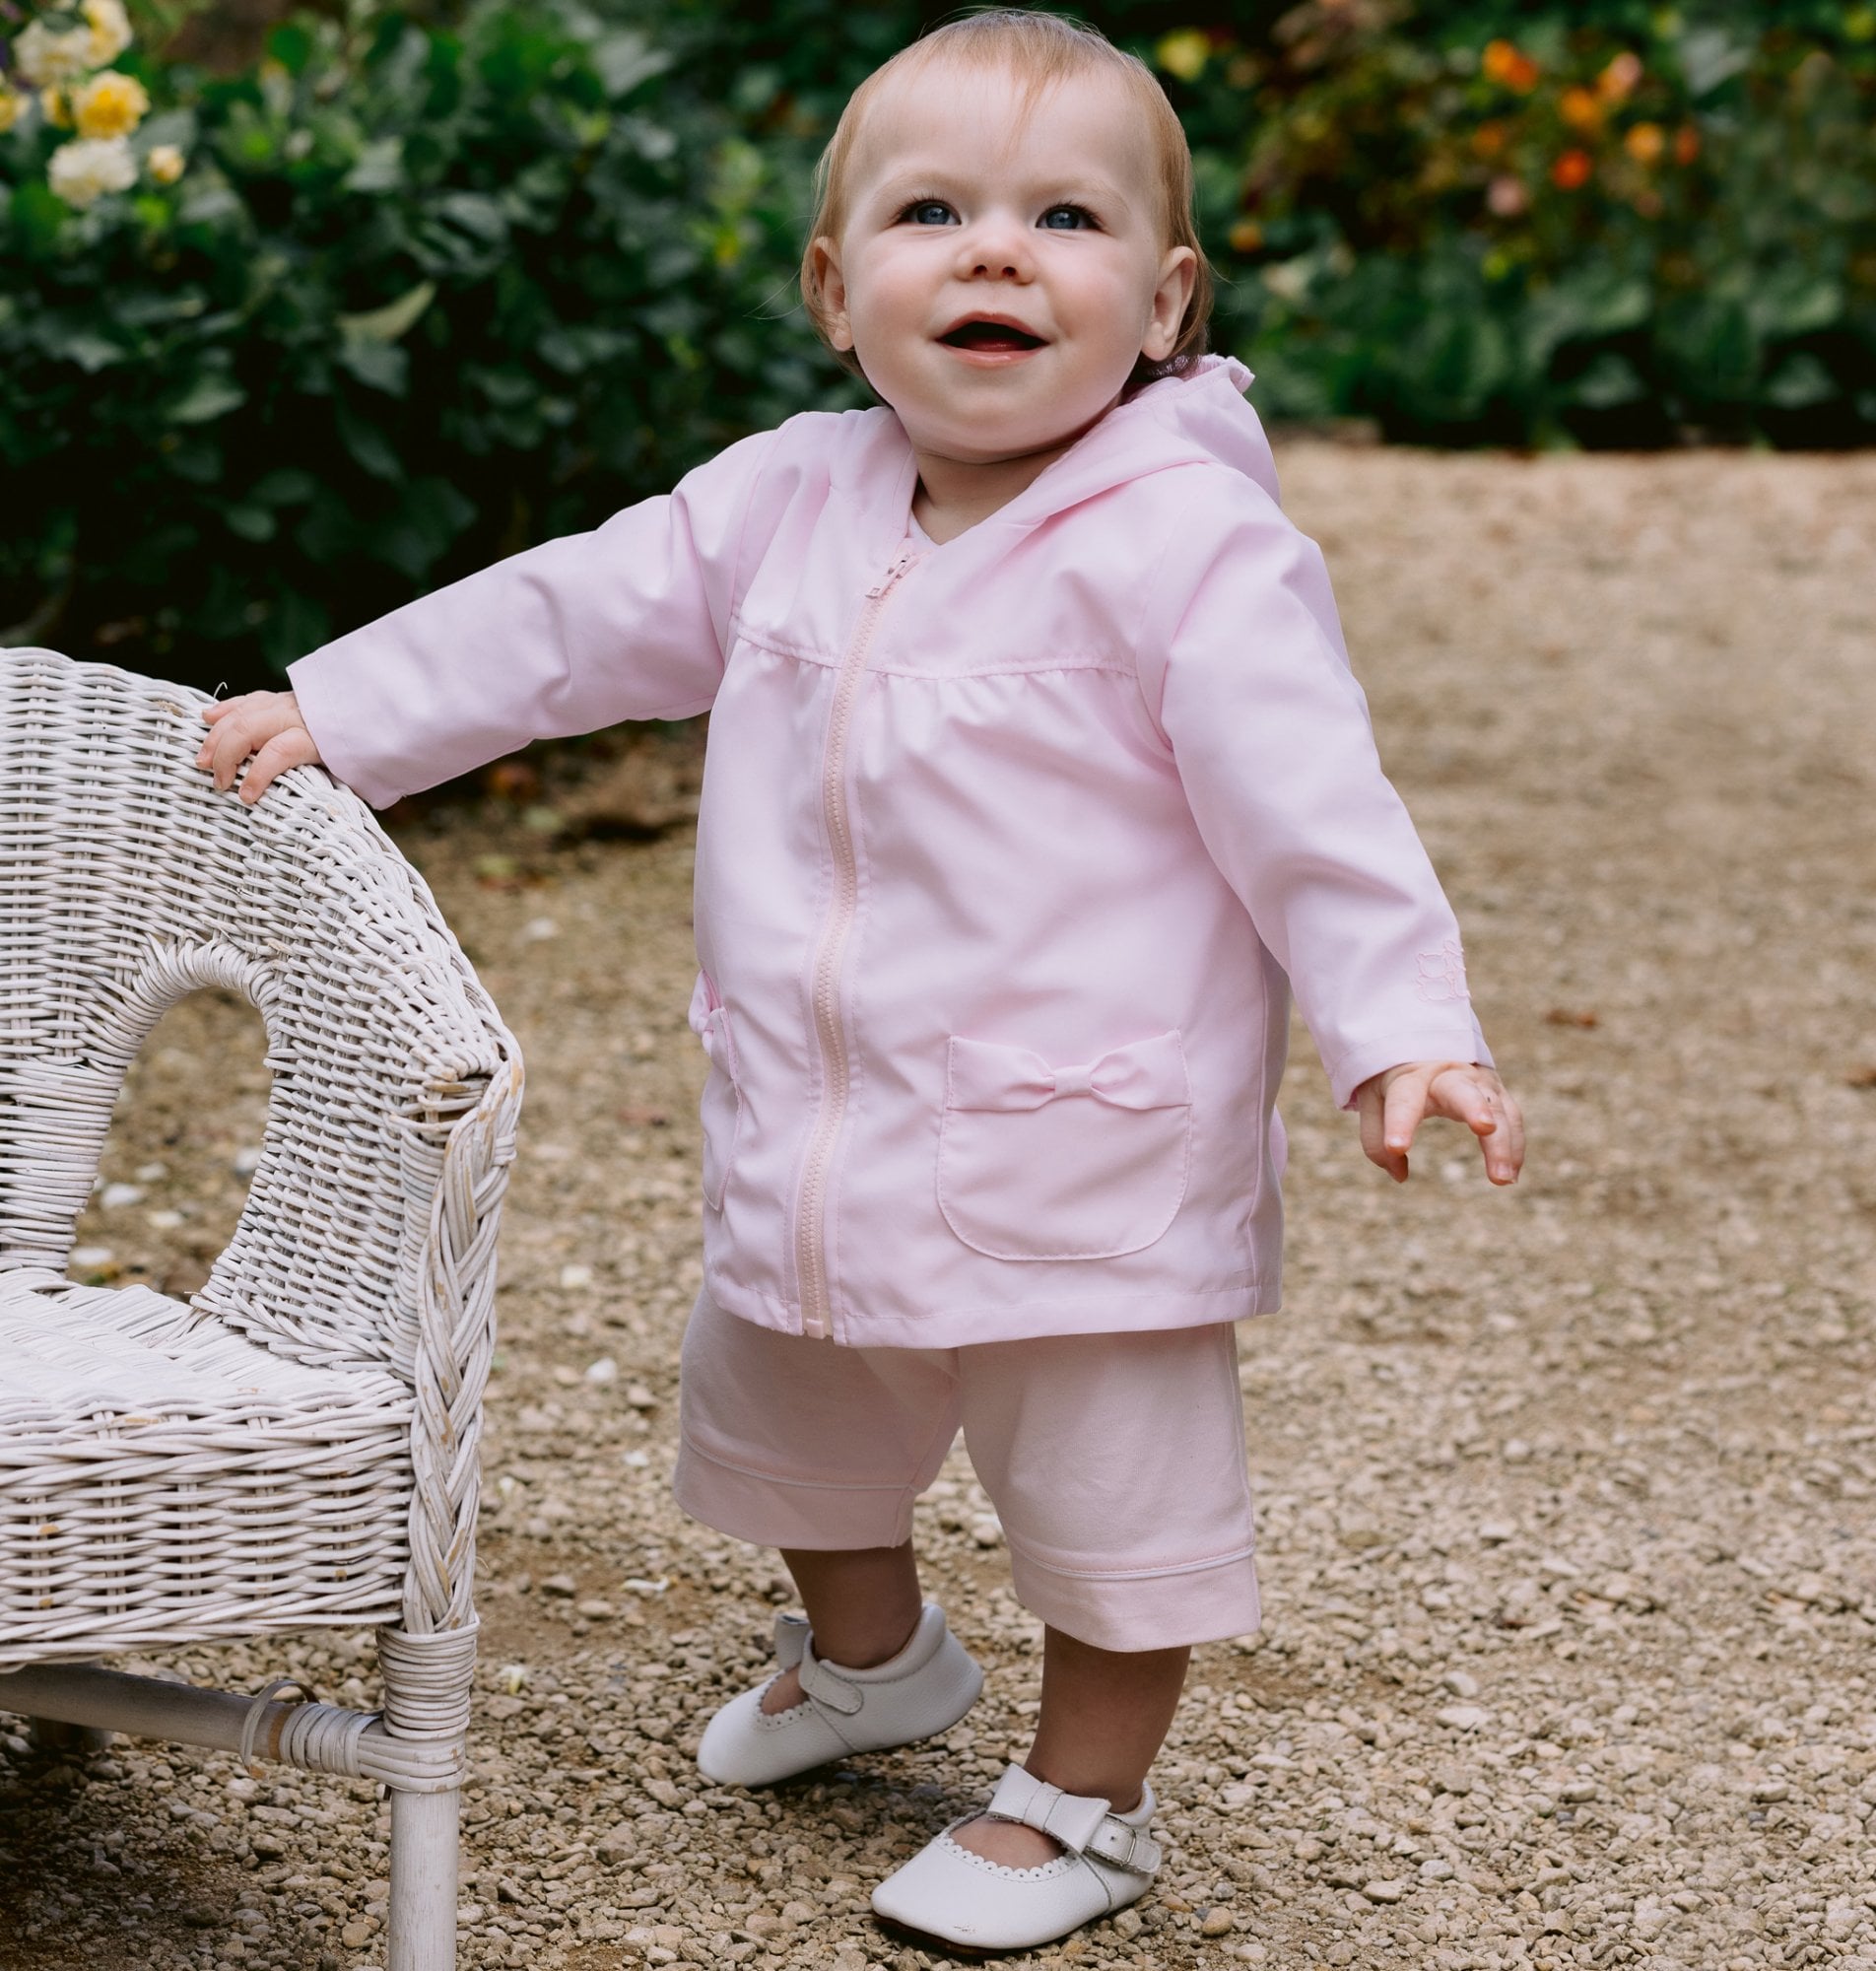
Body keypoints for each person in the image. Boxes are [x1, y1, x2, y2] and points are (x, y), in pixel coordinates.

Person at [199, 10, 1526, 1953]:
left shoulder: (1184, 546)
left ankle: (1085, 1796)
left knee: (1107, 1492)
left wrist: (1403, 1023)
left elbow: (1314, 808)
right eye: (931, 211)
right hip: (824, 1124)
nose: (994, 252)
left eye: (1062, 216)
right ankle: (873, 1654)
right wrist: (348, 704)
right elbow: (573, 616)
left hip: (1085, 1147)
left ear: (1161, 300)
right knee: (784, 1417)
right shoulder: (786, 503)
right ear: (838, 291)